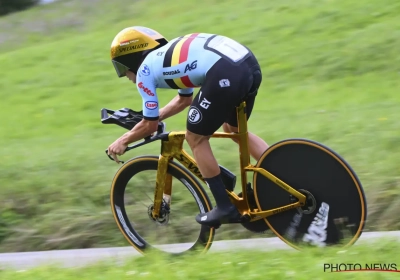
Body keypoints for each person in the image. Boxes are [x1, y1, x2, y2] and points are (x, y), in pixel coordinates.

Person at [107, 26, 269, 227]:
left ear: (132, 58)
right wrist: (154, 118)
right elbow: (184, 100)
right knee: (233, 130)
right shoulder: (170, 55)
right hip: (247, 65)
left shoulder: (144, 72)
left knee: (195, 138)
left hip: (224, 72)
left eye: (122, 69)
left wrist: (123, 140)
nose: (126, 76)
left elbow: (149, 126)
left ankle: (224, 207)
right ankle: (281, 172)